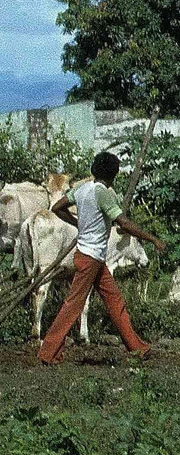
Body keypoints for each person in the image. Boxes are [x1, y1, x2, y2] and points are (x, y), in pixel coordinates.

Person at [39, 152, 167, 365]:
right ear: (114, 174)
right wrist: (153, 239)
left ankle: (137, 348)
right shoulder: (103, 193)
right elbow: (124, 224)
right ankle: (48, 352)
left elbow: (57, 208)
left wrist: (77, 223)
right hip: (91, 258)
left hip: (91, 257)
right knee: (73, 306)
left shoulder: (82, 189)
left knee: (115, 301)